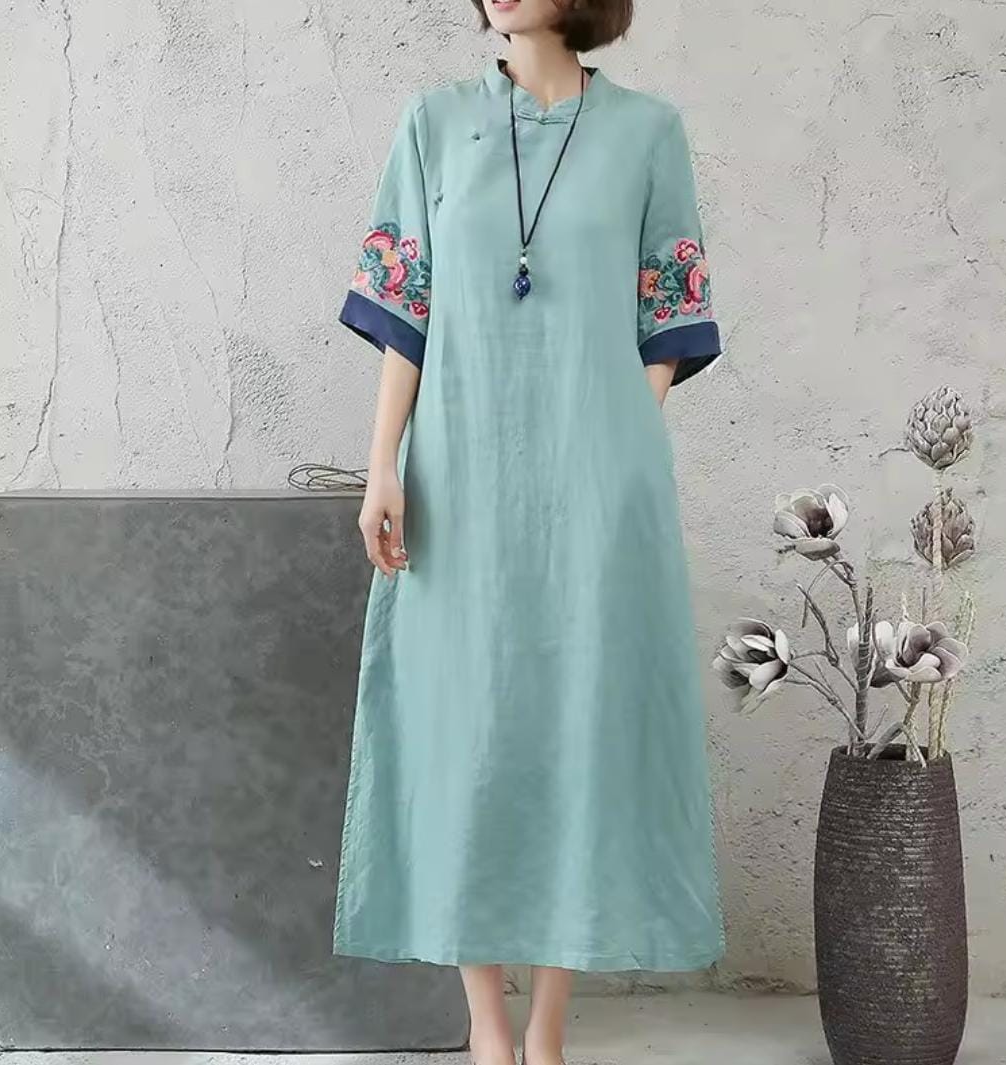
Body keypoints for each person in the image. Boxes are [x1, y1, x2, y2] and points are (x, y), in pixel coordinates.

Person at [332, 2, 726, 1062]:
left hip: (598, 483)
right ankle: (487, 1030)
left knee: (577, 726)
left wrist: (623, 428)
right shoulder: (432, 123)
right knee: (467, 730)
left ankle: (547, 1030)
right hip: (459, 473)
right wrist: (383, 464)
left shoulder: (649, 133)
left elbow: (668, 321)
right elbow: (405, 313)